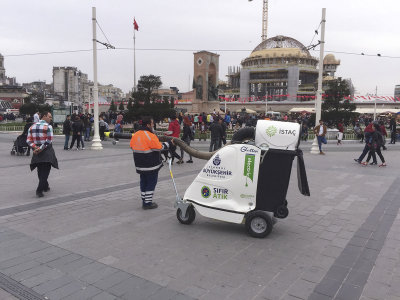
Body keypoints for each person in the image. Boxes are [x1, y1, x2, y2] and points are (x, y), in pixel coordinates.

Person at [130, 117, 171, 209]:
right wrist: (169, 143)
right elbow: (159, 147)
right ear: (148, 125)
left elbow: (132, 146)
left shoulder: (135, 134)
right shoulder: (150, 135)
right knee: (151, 183)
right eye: (152, 124)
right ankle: (147, 203)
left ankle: (144, 199)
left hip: (140, 165)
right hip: (150, 165)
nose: (153, 125)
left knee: (143, 182)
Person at [26, 111, 58, 198]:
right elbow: (49, 140)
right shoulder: (48, 127)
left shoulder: (32, 127)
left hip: (36, 151)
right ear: (44, 116)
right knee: (46, 171)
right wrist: (40, 149)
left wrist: (35, 148)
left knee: (40, 170)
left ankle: (45, 186)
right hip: (46, 151)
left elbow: (28, 140)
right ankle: (39, 190)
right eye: (50, 117)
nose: (51, 119)